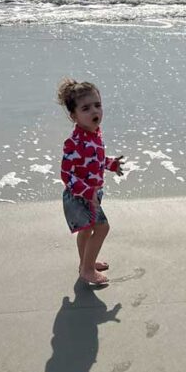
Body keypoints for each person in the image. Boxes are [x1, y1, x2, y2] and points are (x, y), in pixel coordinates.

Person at [57, 79, 124, 288]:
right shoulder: (74, 142)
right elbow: (67, 175)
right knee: (102, 228)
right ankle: (87, 270)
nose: (94, 111)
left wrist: (111, 164)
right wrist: (86, 192)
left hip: (92, 194)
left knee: (86, 230)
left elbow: (94, 160)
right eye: (86, 108)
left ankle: (85, 264)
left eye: (97, 105)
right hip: (81, 197)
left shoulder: (94, 135)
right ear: (74, 116)